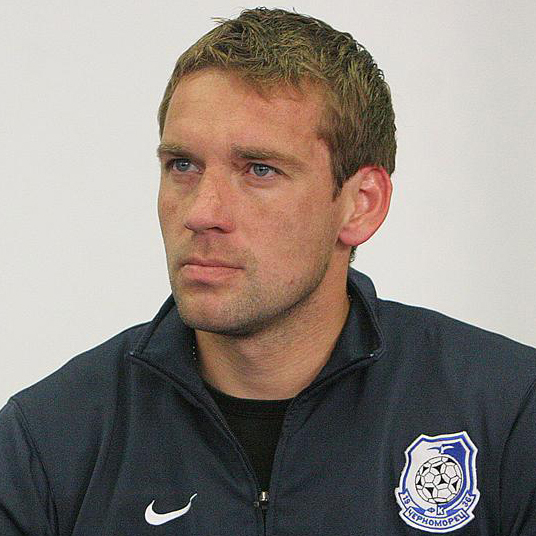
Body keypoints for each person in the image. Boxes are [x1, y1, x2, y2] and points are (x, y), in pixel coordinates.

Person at [1, 6, 535, 535]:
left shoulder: (510, 413)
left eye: (260, 169)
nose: (201, 213)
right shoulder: (46, 442)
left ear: (361, 204)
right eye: (182, 165)